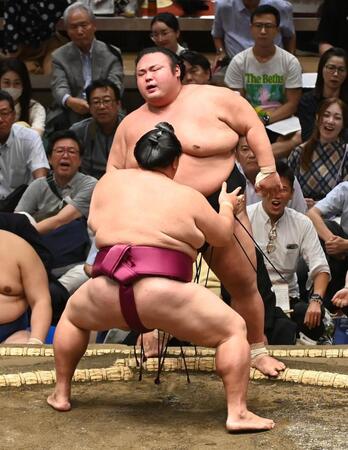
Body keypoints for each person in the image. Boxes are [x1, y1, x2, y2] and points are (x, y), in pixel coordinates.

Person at [47, 122, 275, 432]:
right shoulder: (188, 195)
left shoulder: (107, 183)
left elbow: (96, 223)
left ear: (138, 157)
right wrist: (224, 206)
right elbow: (221, 236)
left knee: (72, 318)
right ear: (175, 162)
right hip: (164, 292)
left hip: (106, 288)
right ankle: (237, 412)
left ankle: (61, 394)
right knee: (234, 329)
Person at [107, 47, 285, 377]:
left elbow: (251, 124)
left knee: (245, 282)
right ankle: (154, 332)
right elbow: (114, 176)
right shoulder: (130, 125)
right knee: (155, 285)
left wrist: (267, 168)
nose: (147, 77)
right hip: (162, 220)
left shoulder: (214, 98)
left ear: (177, 71)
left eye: (155, 69)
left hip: (221, 206)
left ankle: (257, 348)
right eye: (141, 73)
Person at [247, 161, 330, 342]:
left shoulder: (302, 223)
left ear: (292, 194)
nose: (276, 195)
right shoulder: (245, 218)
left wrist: (316, 300)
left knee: (311, 317)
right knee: (281, 329)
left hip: (288, 299)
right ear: (260, 190)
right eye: (271, 189)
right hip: (253, 297)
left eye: (283, 189)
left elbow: (320, 267)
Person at [15, 129, 96, 294]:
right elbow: (16, 222)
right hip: (41, 254)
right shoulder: (38, 185)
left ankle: (53, 294)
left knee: (84, 274)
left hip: (76, 258)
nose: (65, 156)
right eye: (59, 151)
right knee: (23, 217)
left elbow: (61, 220)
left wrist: (28, 234)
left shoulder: (90, 184)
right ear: (50, 159)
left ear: (80, 160)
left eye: (71, 152)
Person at [48, 2, 124, 129]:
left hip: (104, 107)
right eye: (73, 27)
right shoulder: (59, 56)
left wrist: (97, 103)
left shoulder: (112, 53)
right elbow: (59, 87)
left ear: (94, 26)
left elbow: (116, 86)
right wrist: (70, 101)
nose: (79, 31)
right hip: (72, 110)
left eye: (84, 25)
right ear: (67, 30)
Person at [224, 5, 302, 128]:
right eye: (258, 26)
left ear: (277, 30)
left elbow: (292, 104)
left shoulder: (290, 62)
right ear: (251, 28)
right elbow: (236, 103)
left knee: (297, 137)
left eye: (269, 26)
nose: (263, 31)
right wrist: (254, 122)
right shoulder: (238, 62)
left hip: (280, 119)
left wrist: (265, 120)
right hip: (247, 119)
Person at [288, 98, 348, 209]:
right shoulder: (299, 152)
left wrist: (318, 206)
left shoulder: (346, 154)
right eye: (326, 115)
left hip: (333, 219)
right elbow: (286, 190)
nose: (330, 121)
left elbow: (345, 199)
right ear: (317, 118)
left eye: (337, 118)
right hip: (300, 215)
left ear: (343, 123)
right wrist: (299, 201)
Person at [0, 90, 49, 211]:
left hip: (21, 204)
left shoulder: (30, 137)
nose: (0, 119)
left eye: (4, 113)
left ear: (13, 115)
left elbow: (40, 179)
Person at [0, 229, 52, 344]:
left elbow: (40, 300)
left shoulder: (18, 248)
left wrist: (36, 341)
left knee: (21, 347)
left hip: (11, 334)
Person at [212, 0, 295, 65]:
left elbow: (289, 36)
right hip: (233, 62)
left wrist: (291, 60)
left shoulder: (282, 6)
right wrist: (221, 52)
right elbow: (217, 34)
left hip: (274, 62)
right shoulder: (223, 6)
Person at [236, 136, 307, 213]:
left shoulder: (284, 177)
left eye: (256, 148)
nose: (252, 155)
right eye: (245, 149)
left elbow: (301, 215)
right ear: (236, 156)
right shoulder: (228, 179)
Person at [70, 79, 123, 179]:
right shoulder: (78, 131)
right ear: (89, 107)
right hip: (89, 184)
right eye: (96, 102)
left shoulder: (129, 128)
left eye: (107, 101)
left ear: (118, 104)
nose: (101, 106)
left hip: (122, 182)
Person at [307, 181, 348, 310]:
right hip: (342, 255)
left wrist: (346, 245)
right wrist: (332, 241)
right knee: (328, 227)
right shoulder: (345, 188)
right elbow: (312, 213)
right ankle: (322, 303)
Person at [297, 47, 348, 142]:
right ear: (321, 69)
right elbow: (308, 137)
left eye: (341, 69)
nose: (336, 74)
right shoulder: (307, 101)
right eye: (331, 68)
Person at [0, 58, 46, 135]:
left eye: (17, 83)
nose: (12, 87)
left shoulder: (34, 108)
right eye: (6, 82)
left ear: (24, 84)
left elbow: (37, 135)